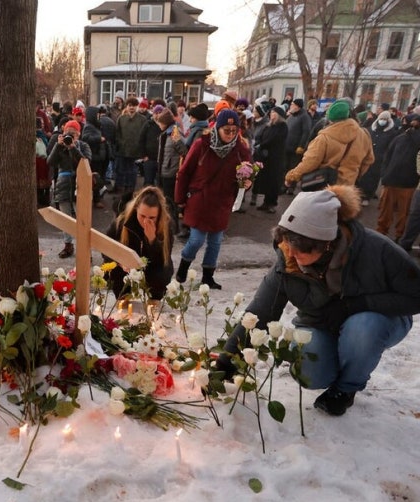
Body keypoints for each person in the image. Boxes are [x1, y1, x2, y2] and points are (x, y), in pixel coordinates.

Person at [218, 186, 420, 416]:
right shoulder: (288, 260)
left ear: (327, 244)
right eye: (287, 244)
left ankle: (345, 389)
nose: (291, 254)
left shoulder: (377, 250)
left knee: (363, 328)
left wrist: (355, 305)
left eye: (300, 249)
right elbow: (261, 310)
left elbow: (415, 296)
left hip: (377, 322)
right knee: (310, 372)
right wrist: (229, 358)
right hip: (321, 323)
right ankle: (342, 362)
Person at [174, 109, 252, 289]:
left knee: (215, 242)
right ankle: (184, 265)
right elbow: (185, 172)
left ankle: (208, 276)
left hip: (222, 202)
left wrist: (247, 183)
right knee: (196, 240)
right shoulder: (202, 144)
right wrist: (180, 199)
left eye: (234, 131)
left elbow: (247, 175)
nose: (230, 135)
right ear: (217, 128)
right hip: (200, 200)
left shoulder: (241, 150)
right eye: (227, 130)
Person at [285, 101, 374, 188]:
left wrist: (291, 177)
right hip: (347, 187)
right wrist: (355, 175)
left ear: (330, 118)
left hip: (324, 185)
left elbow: (310, 162)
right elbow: (368, 160)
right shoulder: (364, 135)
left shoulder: (324, 137)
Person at [105, 186, 174, 301]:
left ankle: (154, 299)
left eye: (152, 217)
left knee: (162, 273)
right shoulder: (123, 222)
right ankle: (123, 297)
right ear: (136, 208)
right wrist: (120, 260)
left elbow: (163, 259)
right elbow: (107, 247)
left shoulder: (165, 226)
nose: (146, 221)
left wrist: (152, 240)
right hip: (126, 266)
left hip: (151, 265)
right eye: (142, 216)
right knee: (114, 269)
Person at [47, 120, 92, 258]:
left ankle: (85, 248)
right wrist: (58, 145)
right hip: (63, 184)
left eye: (73, 134)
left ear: (78, 134)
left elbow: (85, 162)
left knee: (82, 219)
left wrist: (73, 148)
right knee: (66, 219)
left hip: (80, 185)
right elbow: (50, 162)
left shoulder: (83, 146)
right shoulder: (59, 146)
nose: (70, 136)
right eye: (68, 133)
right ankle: (68, 245)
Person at [376, 114, 420, 241]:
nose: (411, 125)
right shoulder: (399, 138)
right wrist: (384, 174)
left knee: (404, 213)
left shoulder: (416, 139)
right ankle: (381, 232)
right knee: (385, 212)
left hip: (408, 183)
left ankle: (399, 235)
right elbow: (387, 157)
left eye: (414, 122)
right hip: (391, 180)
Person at [251, 105, 288, 213]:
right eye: (271, 113)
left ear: (278, 115)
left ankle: (272, 203)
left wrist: (262, 145)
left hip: (276, 157)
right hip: (266, 157)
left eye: (273, 113)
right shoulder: (268, 126)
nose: (271, 115)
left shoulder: (282, 126)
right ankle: (265, 202)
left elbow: (275, 139)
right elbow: (262, 136)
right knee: (266, 180)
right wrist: (258, 144)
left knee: (273, 181)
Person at [359, 110, 398, 206]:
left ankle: (367, 196)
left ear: (388, 120)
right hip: (367, 157)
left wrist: (385, 157)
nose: (382, 121)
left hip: (379, 159)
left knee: (373, 178)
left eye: (385, 119)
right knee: (363, 176)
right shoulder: (371, 129)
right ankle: (359, 195)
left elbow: (391, 147)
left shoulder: (392, 133)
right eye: (381, 118)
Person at [114, 97, 147, 195]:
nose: (132, 108)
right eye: (130, 105)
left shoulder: (142, 119)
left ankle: (130, 189)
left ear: (137, 107)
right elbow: (118, 133)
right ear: (127, 106)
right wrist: (121, 143)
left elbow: (144, 135)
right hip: (123, 150)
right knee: (122, 170)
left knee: (132, 171)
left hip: (136, 151)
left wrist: (141, 149)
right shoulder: (121, 118)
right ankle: (121, 189)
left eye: (134, 106)